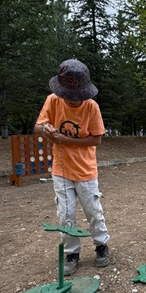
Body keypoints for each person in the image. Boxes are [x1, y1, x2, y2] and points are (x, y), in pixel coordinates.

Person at [35, 59, 110, 275]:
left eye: (79, 97)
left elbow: (96, 140)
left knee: (93, 210)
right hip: (61, 168)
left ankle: (101, 245)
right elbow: (38, 125)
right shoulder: (53, 101)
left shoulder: (91, 107)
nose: (74, 101)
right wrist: (46, 129)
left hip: (85, 169)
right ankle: (72, 252)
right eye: (70, 96)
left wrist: (65, 140)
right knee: (65, 213)